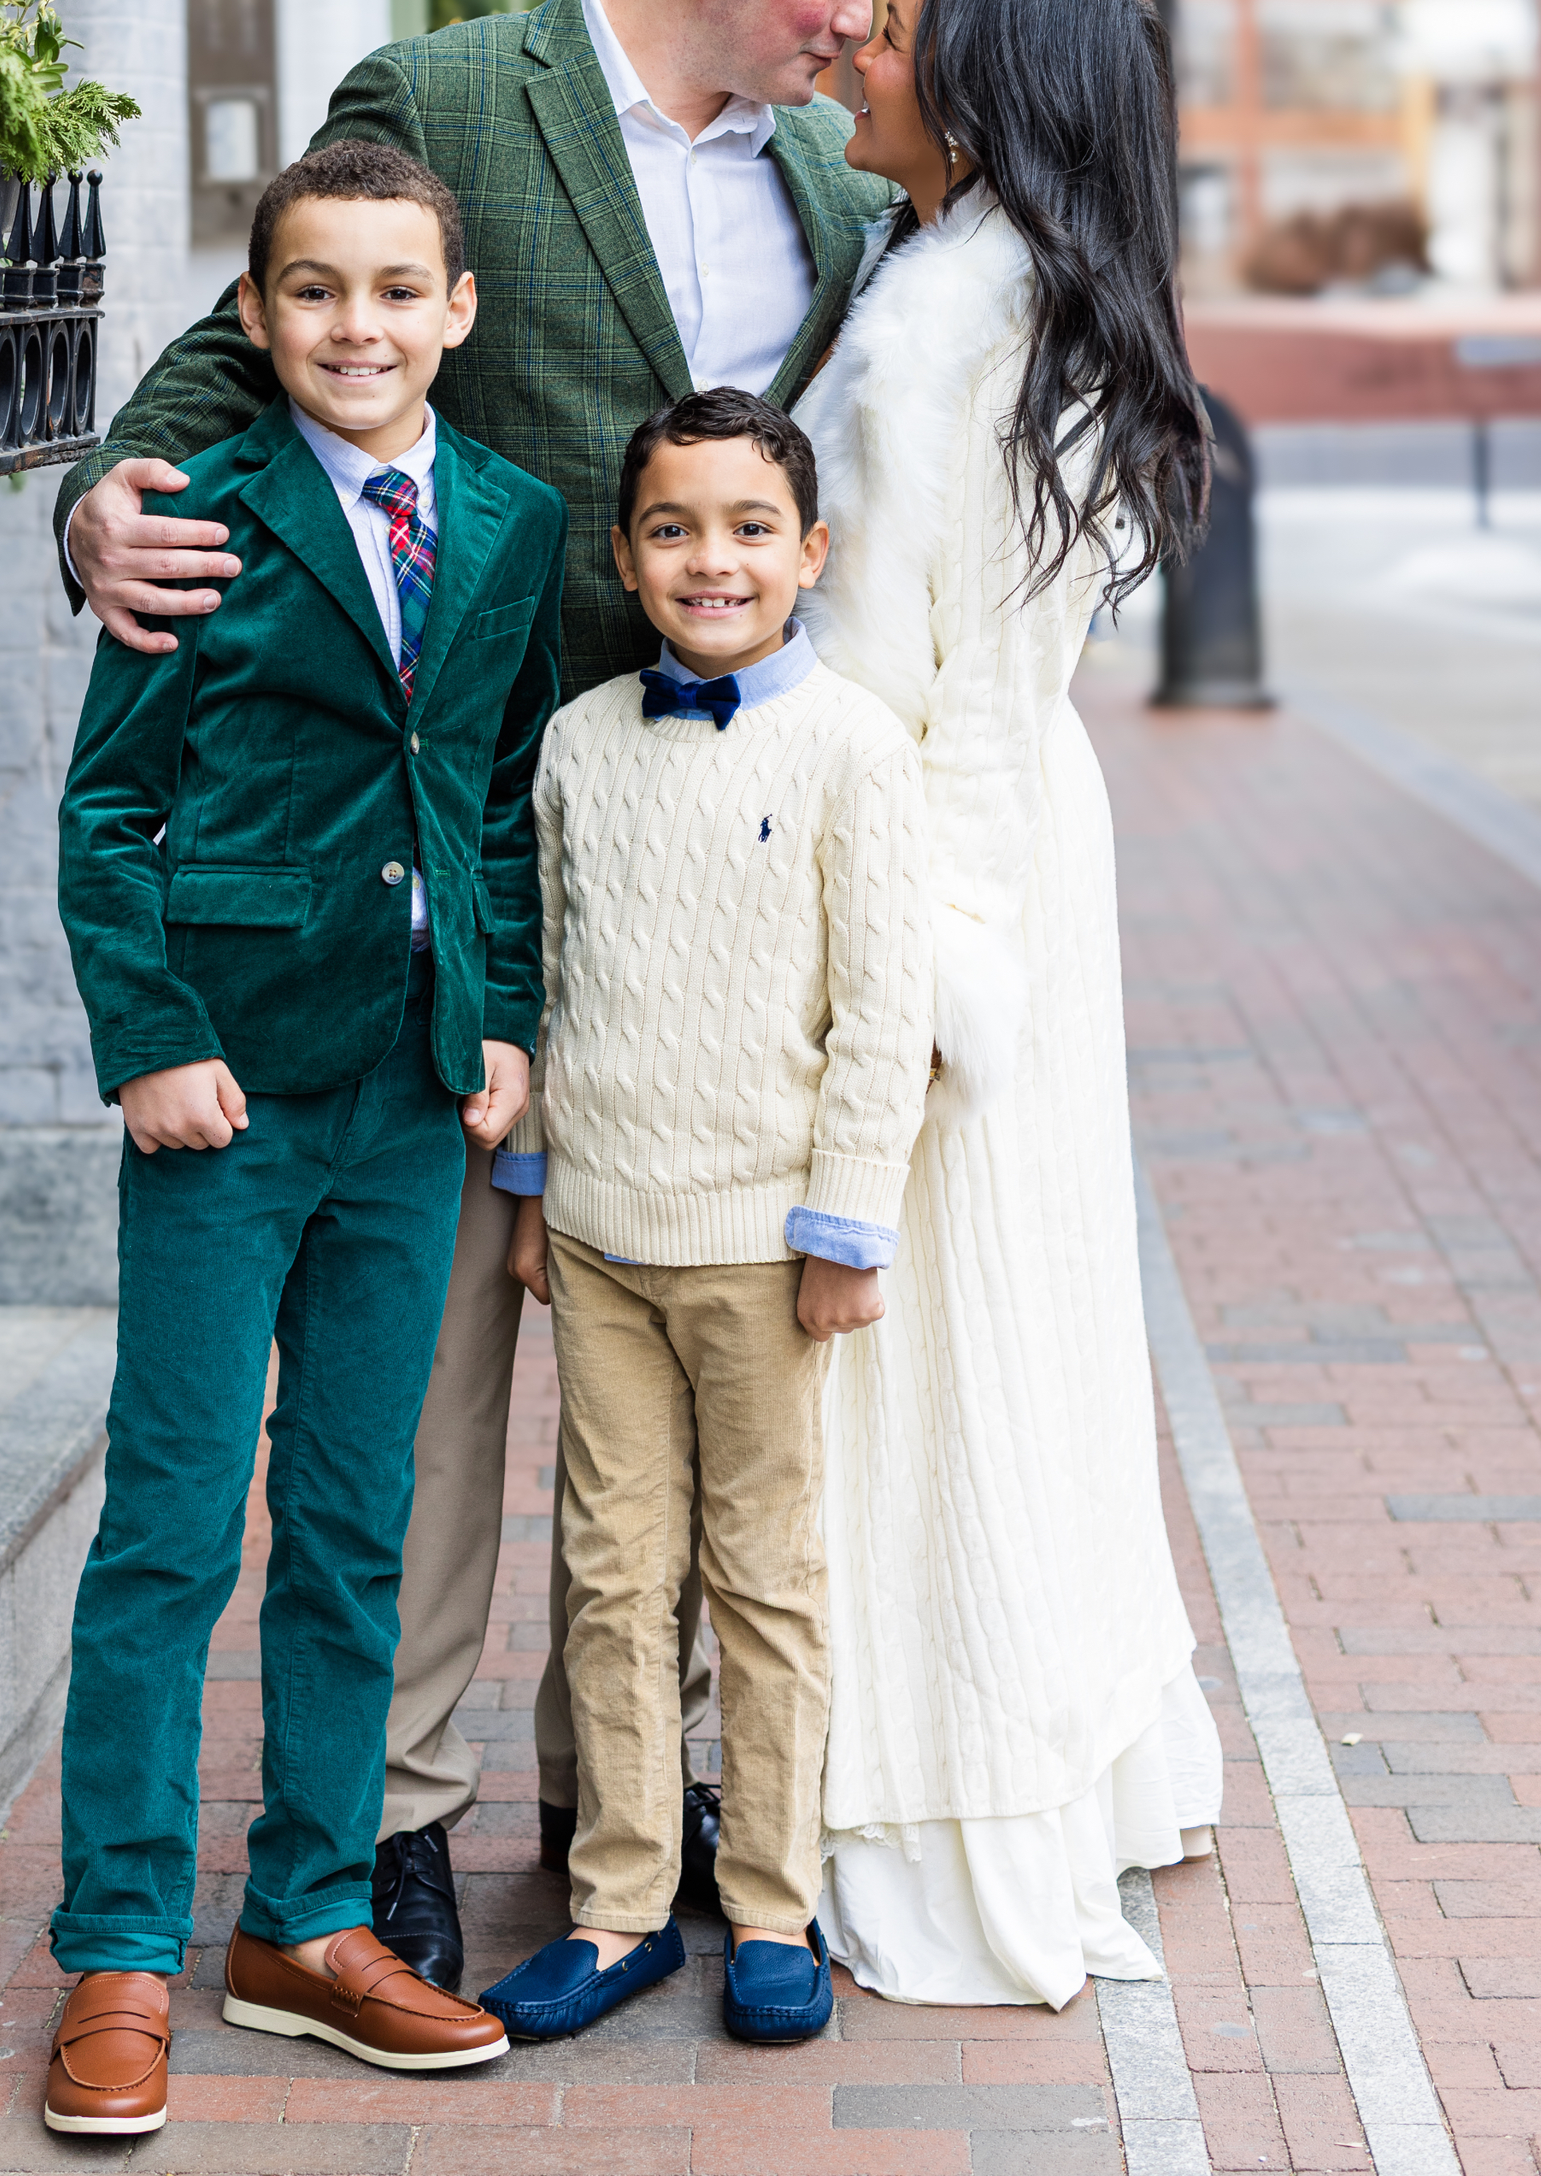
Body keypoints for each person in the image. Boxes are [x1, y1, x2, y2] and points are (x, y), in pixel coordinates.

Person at [53, 0, 907, 1984]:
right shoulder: (445, 93)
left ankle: (653, 1802)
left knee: (692, 1332)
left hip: (710, 853)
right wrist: (95, 506)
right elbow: (238, 346)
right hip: (453, 819)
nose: (854, 17)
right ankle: (389, 1820)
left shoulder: (832, 167)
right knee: (419, 1383)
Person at [42, 141, 566, 2136]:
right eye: (312, 291)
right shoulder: (199, 513)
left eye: (392, 290)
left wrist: (500, 1012)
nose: (355, 327)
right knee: (172, 1528)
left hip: (409, 1100)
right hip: (228, 1097)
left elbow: (493, 797)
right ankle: (113, 1944)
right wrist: (149, 1037)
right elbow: (109, 808)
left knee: (354, 1515)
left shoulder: (507, 522)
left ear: (455, 311)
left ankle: (310, 1915)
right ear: (253, 318)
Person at [790, 0, 1223, 2009]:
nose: (846, 56)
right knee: (1030, 1322)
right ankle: (1070, 1748)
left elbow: (867, 663)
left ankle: (936, 1795)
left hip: (931, 858)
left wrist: (884, 971)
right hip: (1025, 837)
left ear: (969, 95)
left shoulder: (934, 311)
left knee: (921, 1347)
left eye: (884, 34)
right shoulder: (1032, 291)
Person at [477, 392, 934, 2048]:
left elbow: (885, 1013)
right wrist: (532, 1195)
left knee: (765, 1578)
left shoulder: (855, 749)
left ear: (811, 553)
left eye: (750, 529)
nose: (711, 561)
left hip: (762, 1247)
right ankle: (616, 1906)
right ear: (625, 554)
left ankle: (772, 1903)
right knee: (610, 1574)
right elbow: (554, 978)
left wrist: (846, 1227)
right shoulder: (579, 741)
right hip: (601, 1231)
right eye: (672, 529)